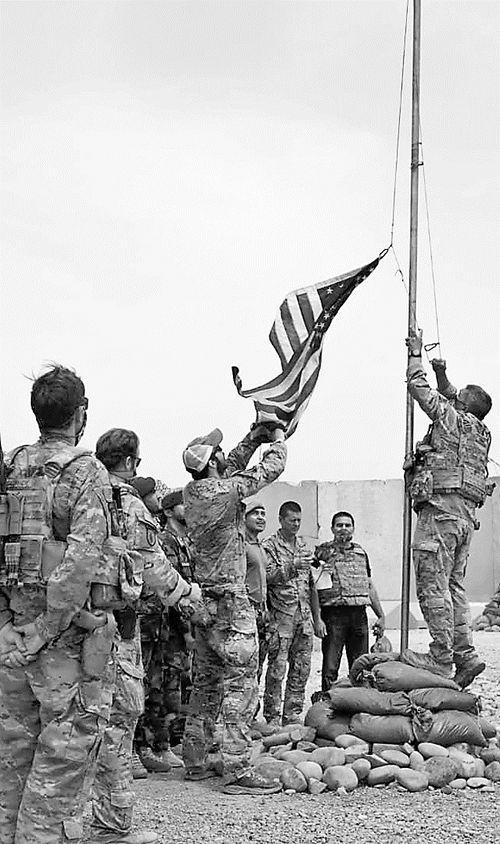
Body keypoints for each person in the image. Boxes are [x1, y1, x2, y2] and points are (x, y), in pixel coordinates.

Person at [0, 365, 116, 844]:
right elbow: (80, 562)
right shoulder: (85, 472)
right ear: (80, 413)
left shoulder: (11, 466)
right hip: (60, 645)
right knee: (59, 772)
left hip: (12, 639)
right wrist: (45, 629)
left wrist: (7, 623)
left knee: (11, 767)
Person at [88, 431, 201, 844]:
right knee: (121, 716)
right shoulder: (123, 501)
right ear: (131, 462)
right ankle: (111, 823)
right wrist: (187, 593)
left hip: (64, 626)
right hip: (115, 628)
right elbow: (153, 566)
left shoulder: (75, 489)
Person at [181, 423, 286, 793]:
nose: (225, 455)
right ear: (212, 463)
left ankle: (195, 761)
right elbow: (271, 468)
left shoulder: (194, 492)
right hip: (231, 603)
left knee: (205, 685)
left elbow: (229, 466)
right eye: (218, 452)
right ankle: (237, 769)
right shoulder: (227, 491)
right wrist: (277, 439)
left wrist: (253, 437)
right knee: (241, 684)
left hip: (203, 602)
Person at [402, 329, 493, 688]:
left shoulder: (451, 418)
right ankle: (465, 655)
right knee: (454, 588)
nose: (452, 396)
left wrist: (415, 355)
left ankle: (440, 657)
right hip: (464, 518)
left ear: (463, 405)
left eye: (458, 397)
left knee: (432, 584)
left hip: (440, 514)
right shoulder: (481, 433)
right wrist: (443, 373)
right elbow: (452, 393)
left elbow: (419, 388)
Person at [263, 501, 325, 727]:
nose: (296, 524)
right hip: (281, 619)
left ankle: (292, 714)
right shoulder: (269, 546)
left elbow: (311, 585)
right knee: (277, 670)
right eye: (292, 520)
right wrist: (292, 565)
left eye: (299, 520)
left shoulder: (303, 546)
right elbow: (266, 577)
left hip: (303, 618)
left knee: (301, 669)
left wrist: (317, 618)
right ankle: (272, 716)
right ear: (281, 520)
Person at [313, 511, 385, 690]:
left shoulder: (361, 553)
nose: (343, 528)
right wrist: (317, 619)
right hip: (334, 616)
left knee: (361, 666)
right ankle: (328, 701)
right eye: (339, 525)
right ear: (332, 529)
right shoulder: (322, 553)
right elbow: (312, 586)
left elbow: (369, 585)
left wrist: (381, 615)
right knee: (330, 667)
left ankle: (359, 701)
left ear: (353, 528)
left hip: (358, 615)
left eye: (347, 525)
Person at [244, 501, 270, 680]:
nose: (260, 517)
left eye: (263, 513)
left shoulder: (260, 547)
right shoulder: (240, 545)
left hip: (262, 612)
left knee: (258, 665)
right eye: (255, 513)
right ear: (244, 518)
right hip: (246, 609)